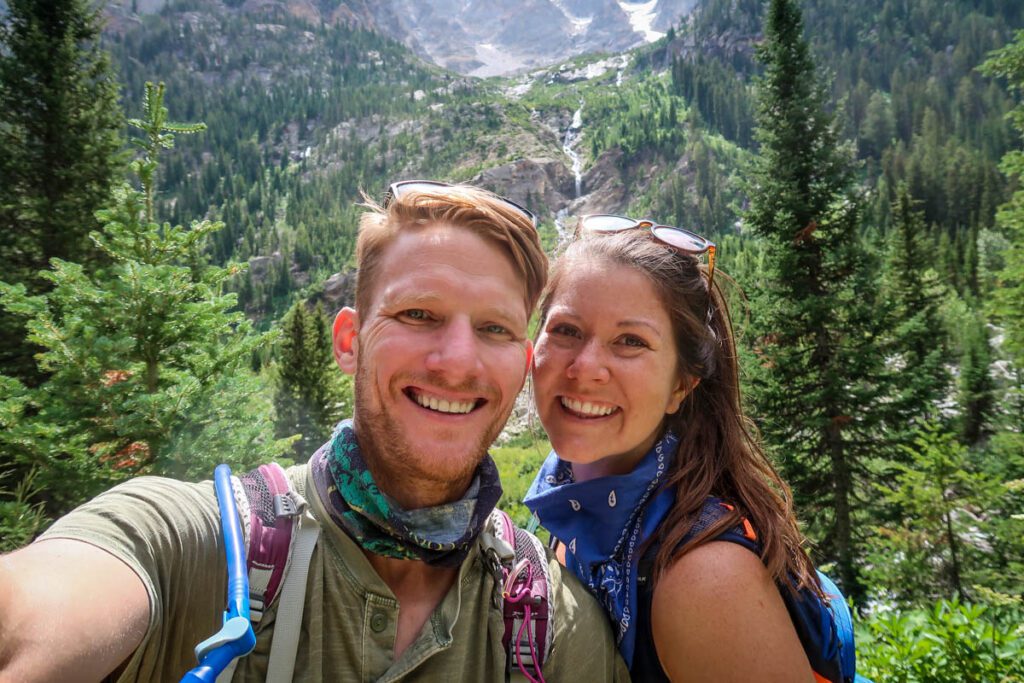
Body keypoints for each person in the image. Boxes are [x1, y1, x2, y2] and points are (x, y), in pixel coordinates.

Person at [0, 183, 629, 682]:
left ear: (522, 366)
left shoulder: (553, 627)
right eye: (418, 315)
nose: (458, 361)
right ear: (350, 342)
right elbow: (44, 603)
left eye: (494, 329)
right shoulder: (197, 547)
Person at [523, 216, 832, 682]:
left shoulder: (703, 578)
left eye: (631, 341)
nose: (585, 368)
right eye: (566, 330)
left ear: (681, 386)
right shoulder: (565, 502)